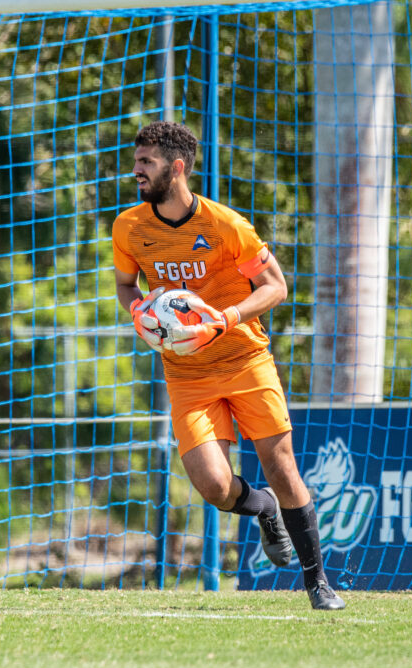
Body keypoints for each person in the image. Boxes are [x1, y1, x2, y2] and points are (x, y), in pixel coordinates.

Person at [112, 120, 345, 610]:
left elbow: (276, 286)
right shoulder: (130, 227)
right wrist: (138, 312)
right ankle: (261, 508)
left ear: (176, 168)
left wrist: (228, 318)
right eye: (136, 161)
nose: (136, 170)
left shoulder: (225, 226)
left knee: (282, 470)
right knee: (215, 488)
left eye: (146, 162)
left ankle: (317, 583)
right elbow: (127, 286)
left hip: (244, 359)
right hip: (187, 373)